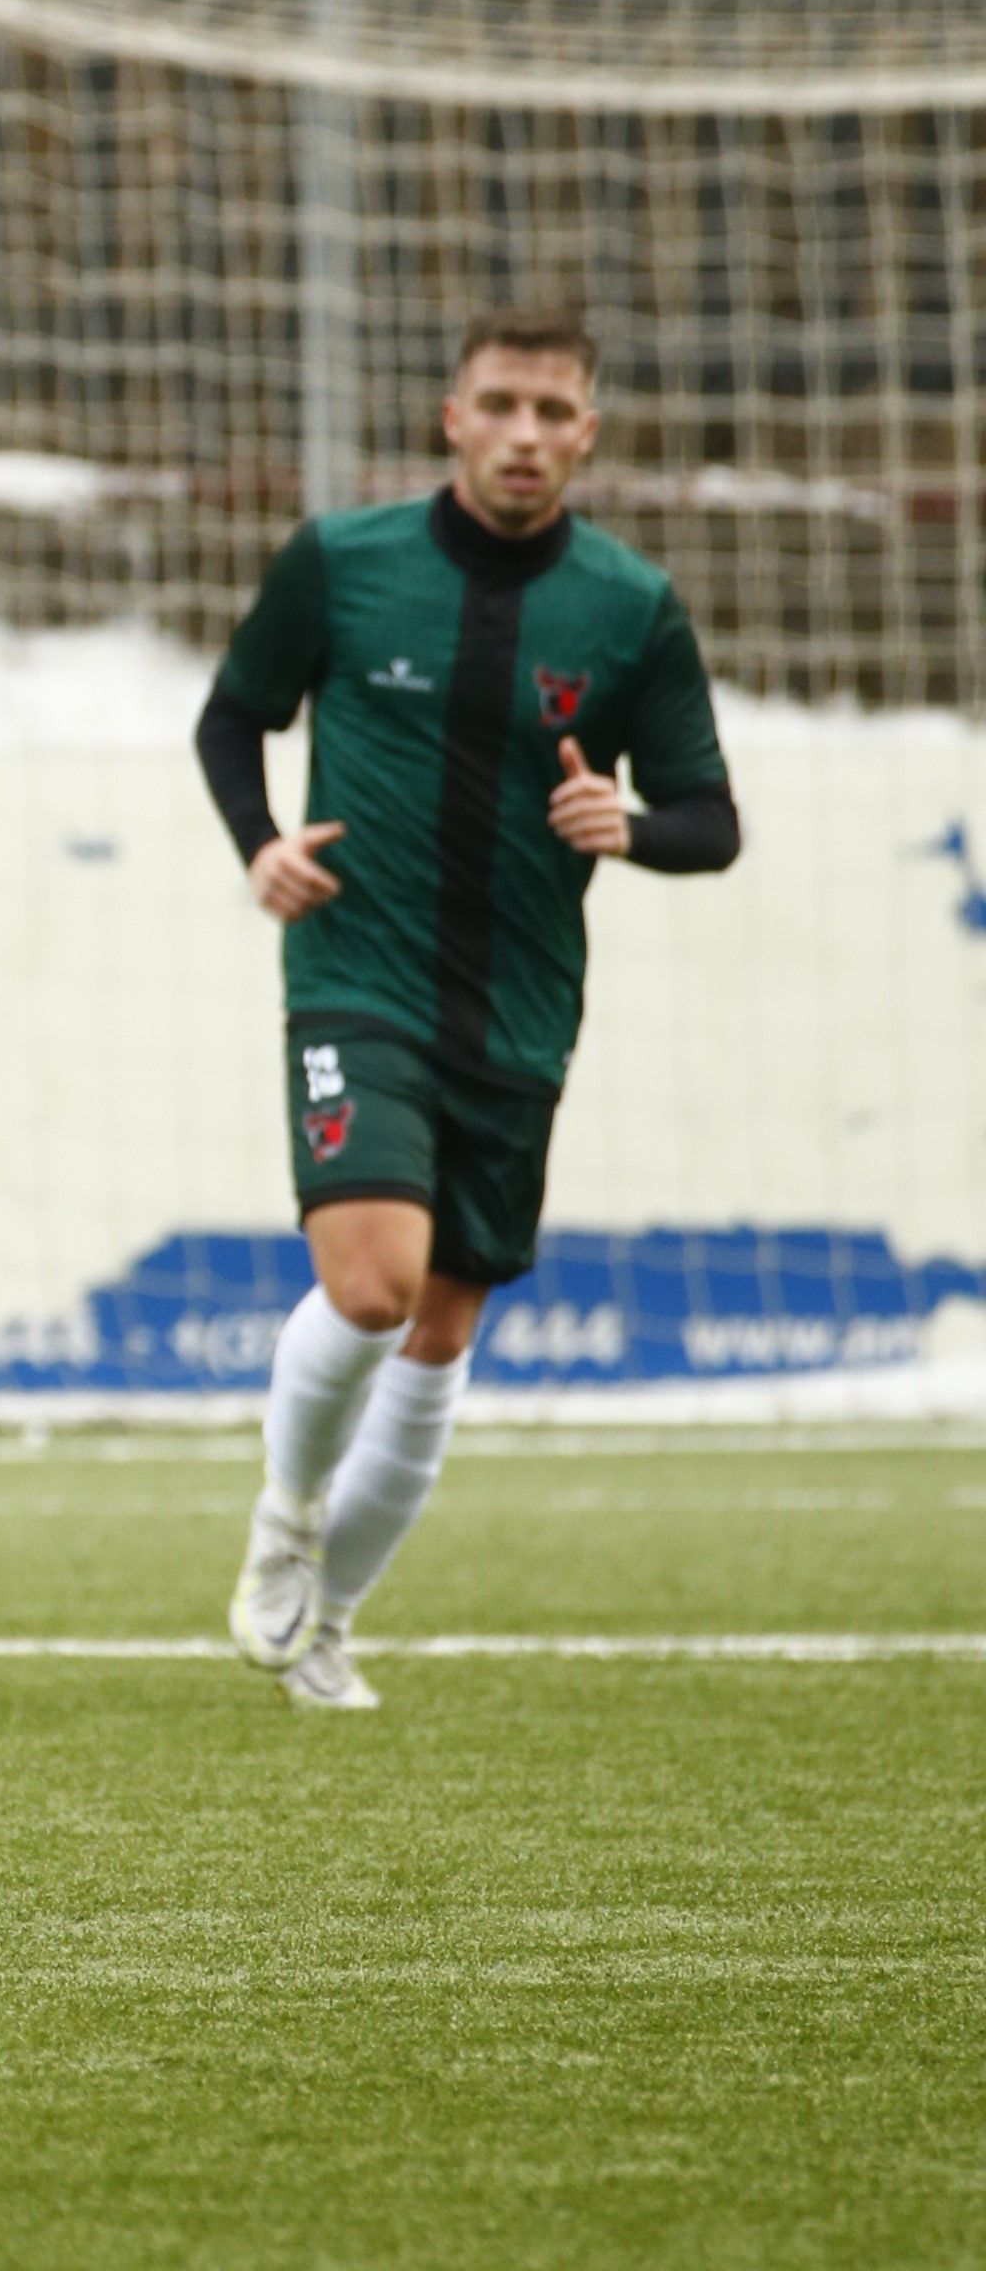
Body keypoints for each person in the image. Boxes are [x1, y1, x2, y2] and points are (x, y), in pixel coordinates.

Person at [205, 302, 739, 1710]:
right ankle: (282, 1517)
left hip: (519, 1012)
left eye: (552, 413)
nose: (524, 435)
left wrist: (627, 820)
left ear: (588, 435)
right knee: (370, 1289)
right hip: (353, 980)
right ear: (453, 418)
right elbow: (232, 713)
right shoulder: (342, 562)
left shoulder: (628, 607)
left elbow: (712, 818)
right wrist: (259, 837)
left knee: (440, 1333)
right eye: (499, 405)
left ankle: (330, 1620)